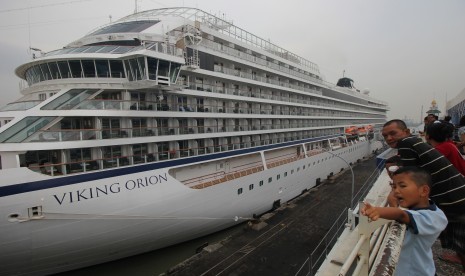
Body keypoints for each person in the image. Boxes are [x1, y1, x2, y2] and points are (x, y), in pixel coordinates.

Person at [382, 119, 465, 270]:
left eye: (393, 133)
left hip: (454, 200)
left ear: (406, 132)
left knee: (461, 241)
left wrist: (394, 193)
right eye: (385, 136)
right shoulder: (414, 143)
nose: (388, 138)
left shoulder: (406, 143)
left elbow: (409, 176)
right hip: (456, 195)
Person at [361, 167, 447, 276]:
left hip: (414, 272)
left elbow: (401, 215)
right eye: (394, 186)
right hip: (421, 267)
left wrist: (378, 210)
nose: (396, 191)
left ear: (424, 191)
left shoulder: (433, 217)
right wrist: (395, 203)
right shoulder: (425, 207)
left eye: (402, 186)